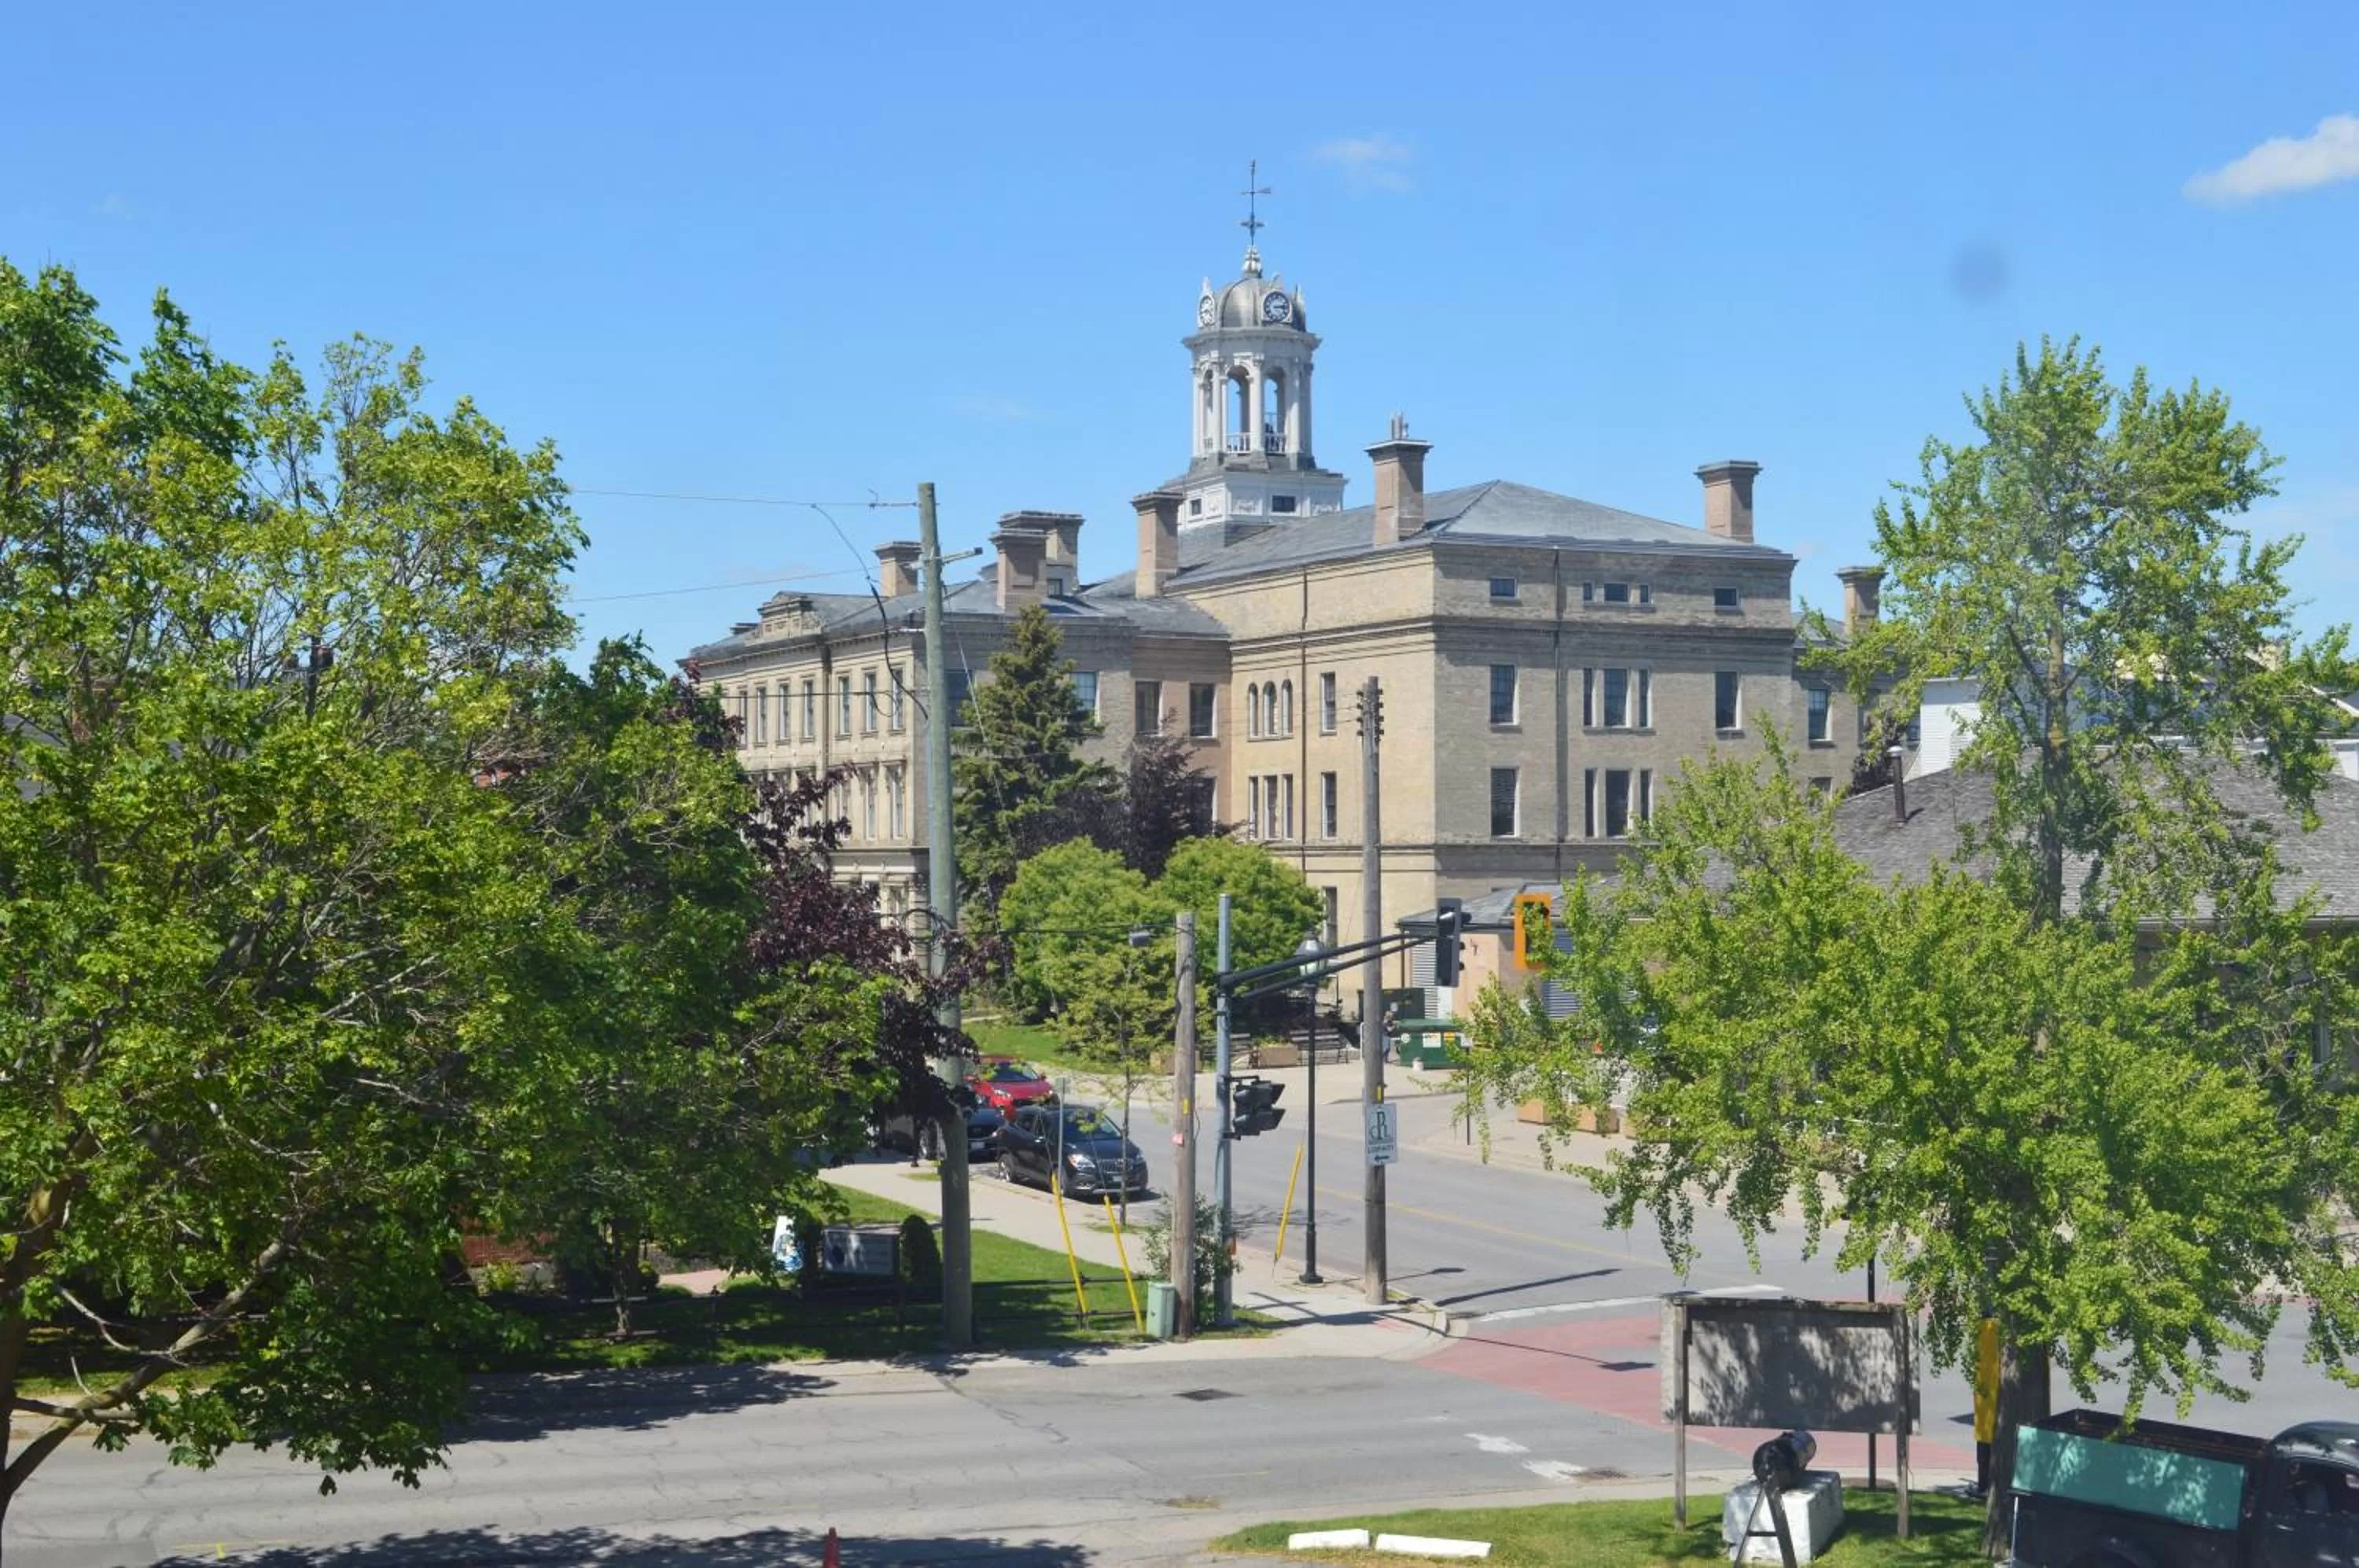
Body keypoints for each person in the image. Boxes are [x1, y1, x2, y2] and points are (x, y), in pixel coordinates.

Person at [1968, 1316, 2000, 1500]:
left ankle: (1984, 1485)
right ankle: (1986, 1484)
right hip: (1991, 1405)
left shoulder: (1986, 1329)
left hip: (1986, 1404)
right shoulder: (1996, 1330)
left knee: (1985, 1442)